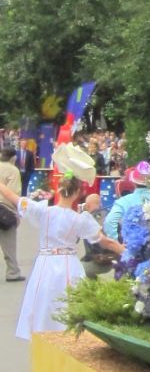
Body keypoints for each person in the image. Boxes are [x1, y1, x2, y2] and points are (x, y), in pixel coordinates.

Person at [0, 145, 123, 339]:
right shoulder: (81, 219)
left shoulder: (43, 212)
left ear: (58, 188)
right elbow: (106, 241)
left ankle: (42, 335)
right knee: (69, 301)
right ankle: (68, 335)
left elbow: (13, 197)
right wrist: (126, 251)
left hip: (46, 263)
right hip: (68, 263)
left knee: (43, 301)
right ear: (77, 194)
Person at [103, 161, 150, 241]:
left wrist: (117, 243)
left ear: (133, 182)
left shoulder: (123, 201)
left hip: (132, 247)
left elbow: (109, 222)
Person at [0, 146, 24, 282]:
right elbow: (13, 193)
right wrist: (17, 213)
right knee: (8, 244)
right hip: (5, 210)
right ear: (13, 158)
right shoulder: (13, 170)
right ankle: (12, 272)